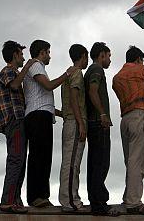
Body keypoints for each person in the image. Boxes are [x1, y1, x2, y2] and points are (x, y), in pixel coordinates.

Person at [23, 39, 76, 208]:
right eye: (48, 52)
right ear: (42, 52)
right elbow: (48, 86)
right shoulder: (35, 65)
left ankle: (41, 196)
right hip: (38, 116)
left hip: (42, 114)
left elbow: (46, 99)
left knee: (43, 156)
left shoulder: (38, 68)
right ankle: (36, 196)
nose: (49, 56)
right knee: (39, 156)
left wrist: (63, 113)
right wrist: (66, 74)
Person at [112, 46, 144, 215]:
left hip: (124, 119)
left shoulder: (117, 77)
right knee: (137, 161)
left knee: (130, 160)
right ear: (139, 59)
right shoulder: (141, 69)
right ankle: (134, 202)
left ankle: (128, 197)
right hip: (139, 116)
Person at [0, 41, 35, 213]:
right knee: (16, 160)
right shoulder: (8, 71)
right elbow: (13, 85)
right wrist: (27, 67)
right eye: (21, 54)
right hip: (14, 120)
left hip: (18, 120)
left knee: (20, 161)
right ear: (14, 55)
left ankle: (15, 200)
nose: (23, 57)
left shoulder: (14, 72)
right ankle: (8, 201)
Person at [84, 42, 118, 216]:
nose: (110, 59)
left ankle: (96, 201)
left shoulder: (91, 70)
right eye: (109, 55)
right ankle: (99, 203)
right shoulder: (97, 70)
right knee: (101, 163)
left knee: (94, 163)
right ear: (101, 55)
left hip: (93, 122)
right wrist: (103, 114)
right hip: (98, 123)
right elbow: (93, 91)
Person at [59, 44, 89, 212]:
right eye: (86, 57)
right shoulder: (76, 72)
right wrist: (81, 123)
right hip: (74, 121)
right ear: (83, 56)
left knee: (69, 162)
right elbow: (74, 98)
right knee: (72, 164)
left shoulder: (68, 73)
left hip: (68, 121)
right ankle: (70, 201)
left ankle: (69, 199)